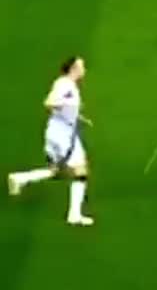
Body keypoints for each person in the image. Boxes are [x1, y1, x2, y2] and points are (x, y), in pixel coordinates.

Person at [7, 56, 94, 226]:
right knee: (81, 171)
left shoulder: (69, 85)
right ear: (74, 69)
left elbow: (65, 109)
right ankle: (74, 215)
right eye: (82, 67)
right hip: (63, 137)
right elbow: (49, 102)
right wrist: (62, 103)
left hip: (58, 133)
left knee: (57, 171)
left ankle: (20, 178)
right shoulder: (65, 85)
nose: (84, 70)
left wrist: (80, 118)